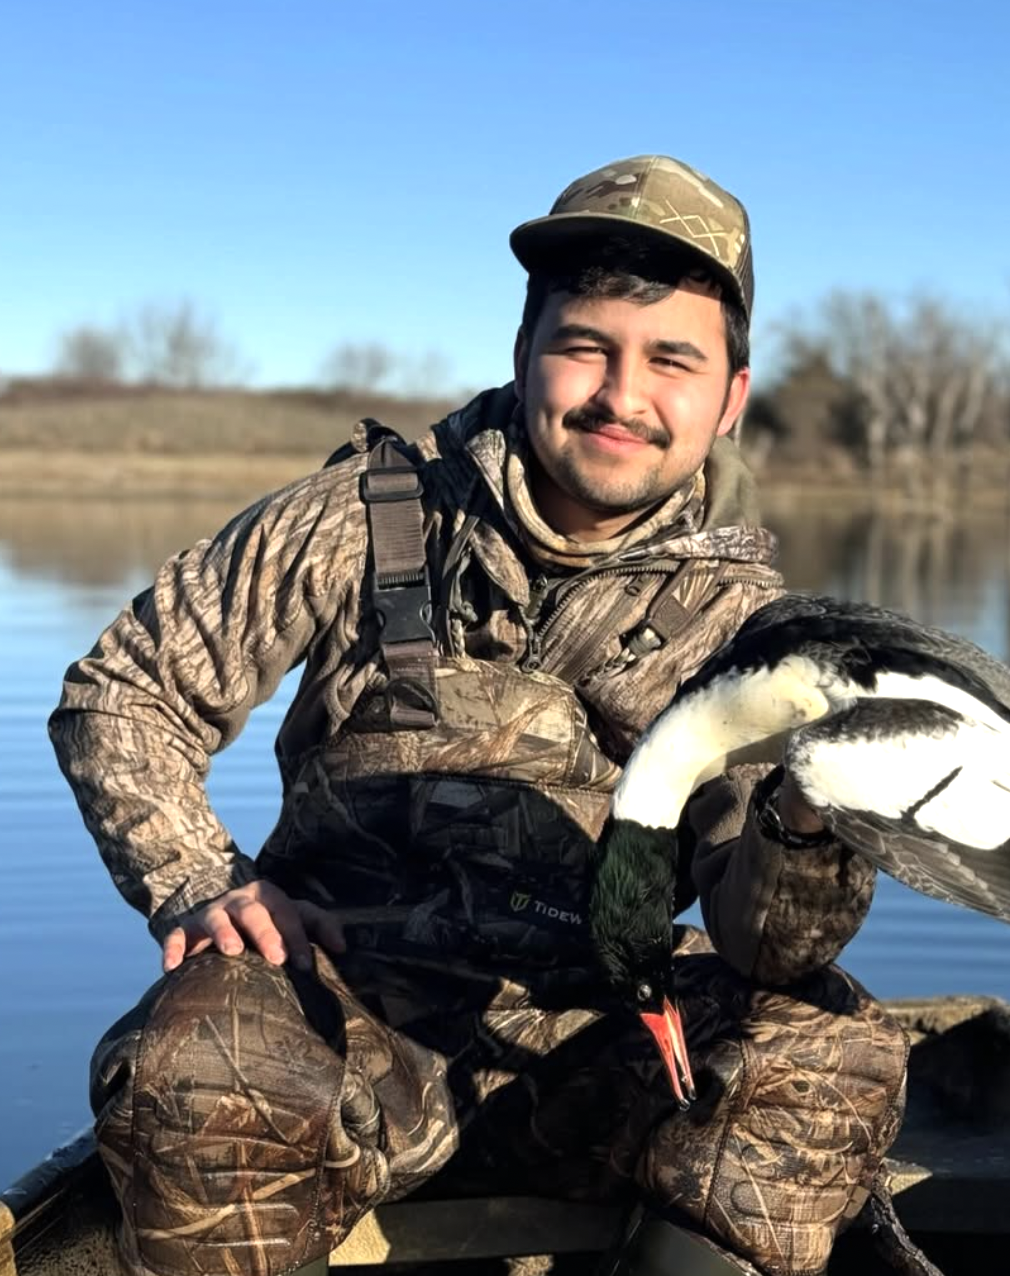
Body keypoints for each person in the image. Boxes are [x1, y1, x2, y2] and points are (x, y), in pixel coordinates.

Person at [49, 155, 910, 1276]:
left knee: (833, 1050)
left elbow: (767, 945)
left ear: (732, 398)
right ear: (525, 352)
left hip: (607, 1039)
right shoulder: (360, 517)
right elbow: (126, 689)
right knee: (197, 1059)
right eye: (584, 346)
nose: (622, 396)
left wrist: (814, 816)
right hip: (341, 1021)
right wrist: (202, 879)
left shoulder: (761, 638)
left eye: (672, 361)